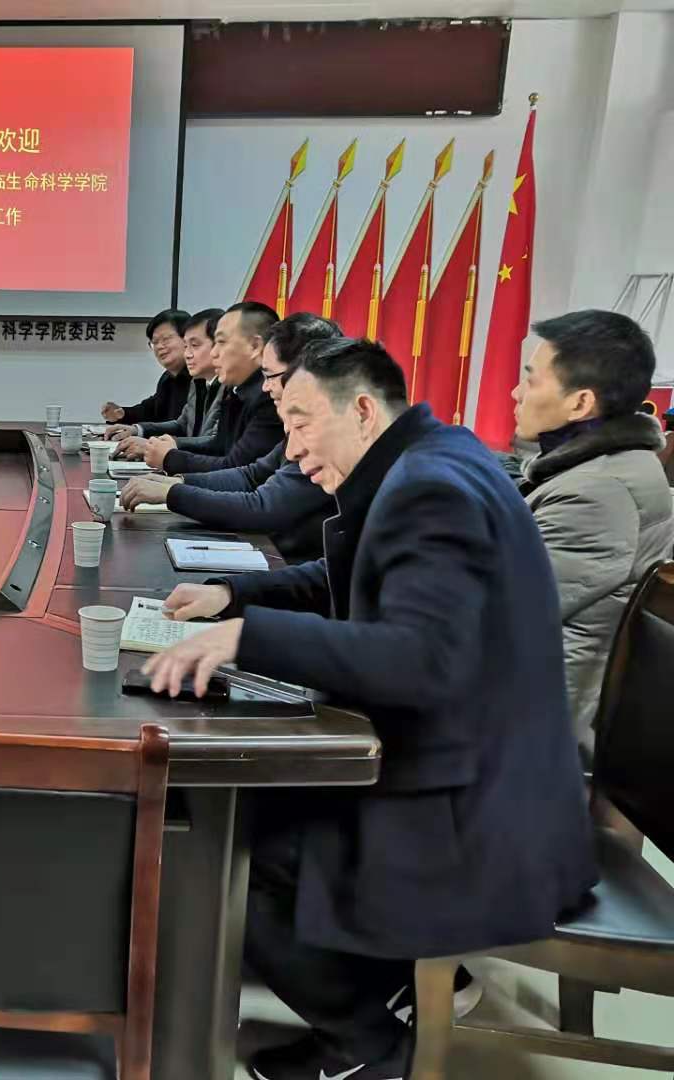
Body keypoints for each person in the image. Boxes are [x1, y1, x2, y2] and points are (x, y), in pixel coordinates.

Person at [144, 339, 596, 1080]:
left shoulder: (429, 489)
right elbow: (349, 574)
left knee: (227, 853)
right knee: (247, 812)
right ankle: (381, 991)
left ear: (360, 409)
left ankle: (369, 1044)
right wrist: (235, 595)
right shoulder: (431, 457)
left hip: (473, 808)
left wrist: (247, 638)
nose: (292, 448)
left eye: (300, 421)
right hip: (486, 766)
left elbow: (419, 658)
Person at [512, 309, 674, 747]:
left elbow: (490, 614)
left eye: (530, 381)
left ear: (580, 403)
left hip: (529, 725)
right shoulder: (613, 466)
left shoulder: (598, 494)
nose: (516, 393)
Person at [119, 312, 339, 563]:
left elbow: (263, 507)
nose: (266, 386)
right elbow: (250, 474)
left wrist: (173, 491)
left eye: (220, 342)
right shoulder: (243, 394)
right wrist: (177, 482)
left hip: (290, 561)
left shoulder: (322, 429)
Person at [149, 301, 283, 475]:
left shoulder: (269, 396)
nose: (214, 353)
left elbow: (237, 469)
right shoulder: (236, 390)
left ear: (255, 346)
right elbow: (220, 446)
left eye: (221, 342)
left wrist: (171, 459)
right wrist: (172, 447)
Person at [107, 308, 223, 460]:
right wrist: (137, 429)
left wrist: (155, 446)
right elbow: (182, 424)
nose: (188, 354)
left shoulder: (232, 389)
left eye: (194, 345)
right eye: (154, 342)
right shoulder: (197, 381)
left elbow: (217, 443)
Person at [99, 309, 194, 427]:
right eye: (154, 342)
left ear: (188, 339)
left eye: (166, 339)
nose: (159, 346)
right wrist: (122, 414)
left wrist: (140, 431)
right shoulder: (168, 378)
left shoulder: (200, 378)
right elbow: (149, 411)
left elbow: (183, 428)